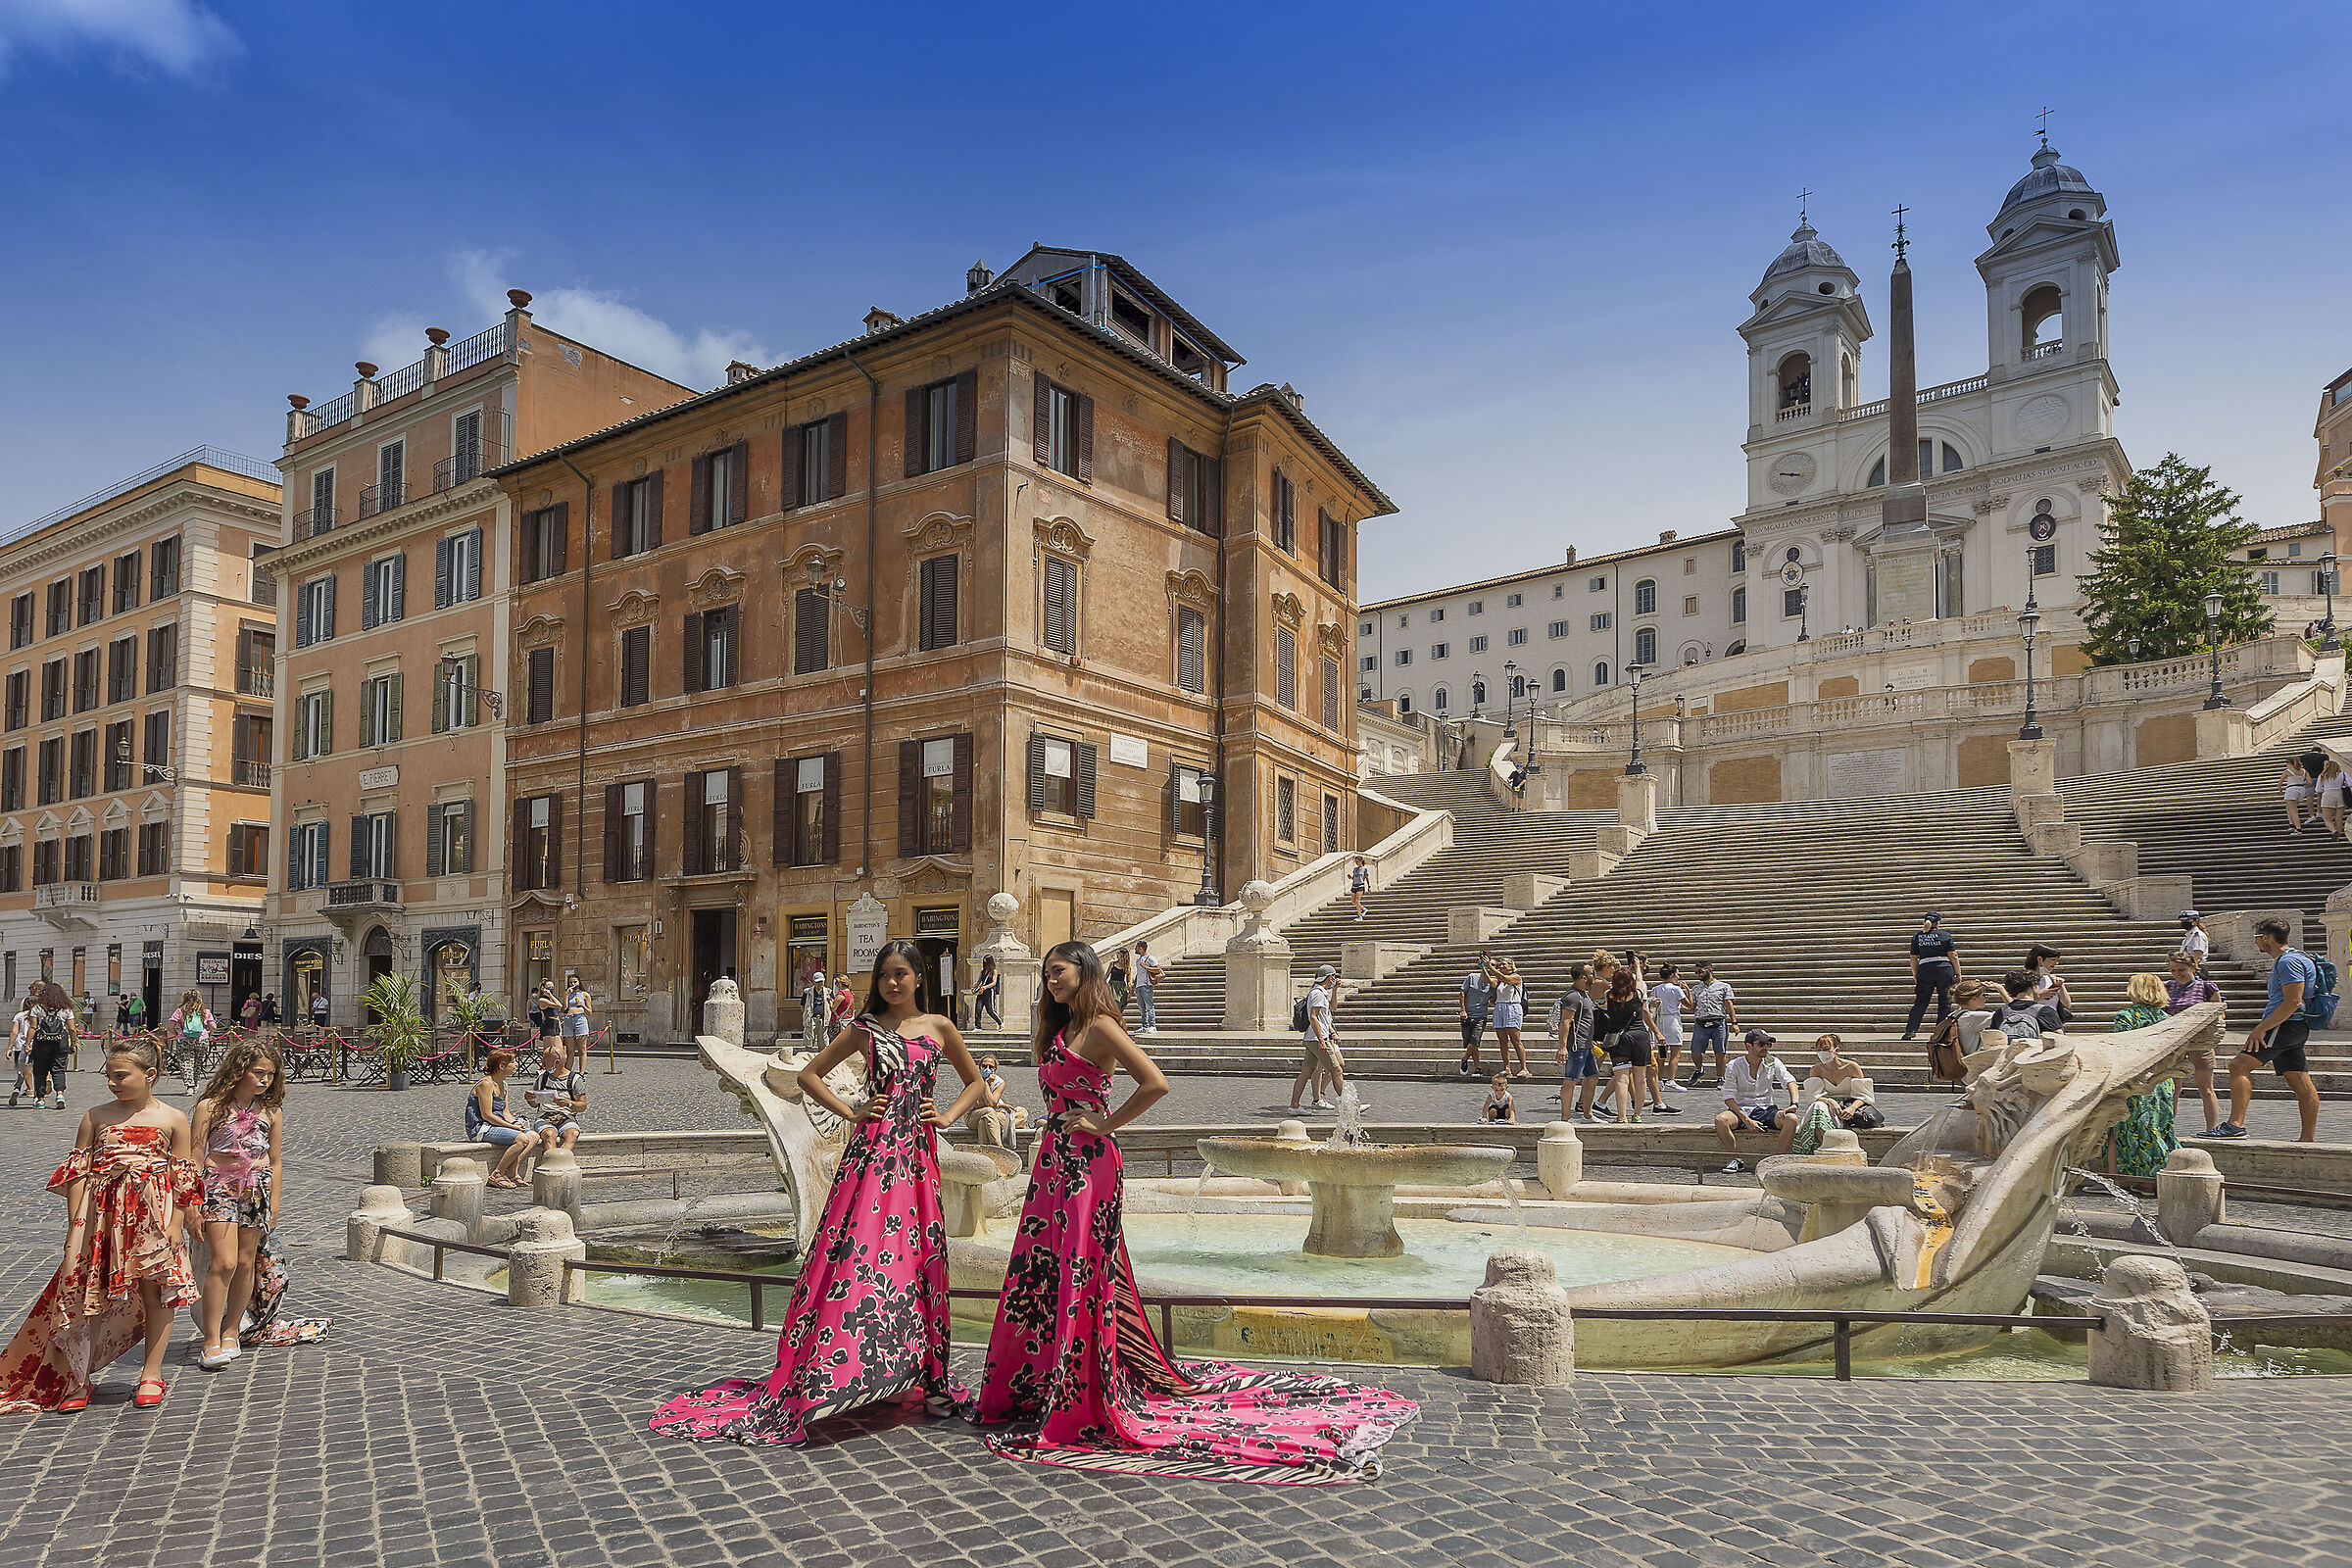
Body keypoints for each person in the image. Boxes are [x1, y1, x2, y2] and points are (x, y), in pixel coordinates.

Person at [972, 941, 1414, 1481]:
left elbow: (1156, 1082)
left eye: (1058, 972)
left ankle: (1079, 1386)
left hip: (1090, 1163)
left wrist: (1104, 1126)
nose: (1050, 981)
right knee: (1042, 1269)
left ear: (1084, 972)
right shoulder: (1055, 1029)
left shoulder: (1102, 1027)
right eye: (1046, 974)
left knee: (1082, 1269)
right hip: (1052, 1164)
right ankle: (1040, 1379)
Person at [654, 940, 985, 1446]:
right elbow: (810, 1075)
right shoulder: (864, 1029)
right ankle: (839, 1370)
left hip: (918, 1156)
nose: (892, 983)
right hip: (872, 1152)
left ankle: (928, 1377)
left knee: (920, 1258)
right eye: (884, 975)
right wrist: (853, 1111)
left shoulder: (940, 1027)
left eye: (901, 974)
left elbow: (975, 1082)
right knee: (861, 1252)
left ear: (919, 976)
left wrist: (947, 1116)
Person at [0, 1036, 200, 1411]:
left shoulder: (173, 1118)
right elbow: (77, 1172)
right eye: (108, 1075)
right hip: (102, 1216)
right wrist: (77, 1223)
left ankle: (151, 1373)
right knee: (91, 1294)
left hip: (153, 1216)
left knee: (157, 1291)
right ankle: (80, 1379)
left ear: (150, 1074)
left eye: (121, 1075)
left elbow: (182, 1175)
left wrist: (176, 1224)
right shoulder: (95, 1115)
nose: (113, 1082)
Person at [190, 1038, 284, 1371]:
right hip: (218, 1187)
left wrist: (273, 1204)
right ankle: (210, 1338)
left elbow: (275, 1161)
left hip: (256, 1190)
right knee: (224, 1262)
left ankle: (232, 1331)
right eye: (258, 1073)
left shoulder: (271, 1112)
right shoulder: (210, 1107)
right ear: (239, 1070)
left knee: (246, 1263)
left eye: (270, 1075)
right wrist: (190, 1205)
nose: (265, 1080)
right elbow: (195, 1156)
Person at [2213, 916, 2322, 1142]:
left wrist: (2260, 1029)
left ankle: (2235, 1125)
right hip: (2293, 1027)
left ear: (2266, 938)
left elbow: (2293, 1001)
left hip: (2283, 1025)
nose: (2255, 943)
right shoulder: (2297, 958)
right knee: (2300, 1081)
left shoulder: (2288, 962)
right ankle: (2307, 1139)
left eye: (2256, 938)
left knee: (2238, 1066)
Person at [2101, 975, 2180, 1177]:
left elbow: (2122, 1051)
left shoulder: (2126, 1016)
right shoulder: (2167, 1019)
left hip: (2134, 1081)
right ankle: (2154, 1178)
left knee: (2117, 1128)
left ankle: (2116, 1177)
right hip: (2162, 1081)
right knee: (2157, 1127)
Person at [1713, 1029, 1796, 1173]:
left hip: (1766, 1109)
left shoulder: (1773, 1062)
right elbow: (1728, 1097)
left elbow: (1790, 1081)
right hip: (1740, 1109)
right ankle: (1735, 1159)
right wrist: (1746, 1120)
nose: (1766, 1047)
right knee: (1721, 1120)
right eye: (1761, 1044)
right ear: (1749, 1046)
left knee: (1792, 1119)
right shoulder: (1734, 1065)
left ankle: (1776, 1161)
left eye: (1768, 1044)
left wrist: (1794, 1104)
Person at [1785, 1034, 1882, 1154]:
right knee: (1817, 1107)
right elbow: (1814, 1096)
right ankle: (1826, 1148)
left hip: (1848, 1106)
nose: (1822, 1053)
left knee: (1818, 1109)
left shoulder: (1852, 1067)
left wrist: (1852, 1108)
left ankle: (1825, 1148)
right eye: (1818, 1050)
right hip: (1827, 1106)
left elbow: (1864, 1095)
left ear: (1836, 1050)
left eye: (1826, 1049)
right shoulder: (1816, 1070)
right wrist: (1830, 1101)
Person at [2163, 953, 2225, 1134]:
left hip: (2200, 1042)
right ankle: (2168, 1128)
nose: (2177, 973)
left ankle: (2211, 1128)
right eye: (2173, 970)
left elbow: (2219, 1013)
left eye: (2181, 969)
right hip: (2173, 1042)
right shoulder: (2167, 987)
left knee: (2206, 1088)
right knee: (2172, 1088)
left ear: (2192, 968)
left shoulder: (2207, 986)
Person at [466, 1049, 542, 1189]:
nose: (516, 1064)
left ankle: (512, 1171)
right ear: (501, 1066)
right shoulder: (486, 1084)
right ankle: (497, 1174)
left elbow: (505, 1111)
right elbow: (487, 1115)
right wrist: (512, 1128)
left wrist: (515, 1123)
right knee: (521, 1139)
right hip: (481, 1128)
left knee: (533, 1136)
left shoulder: (504, 1084)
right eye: (512, 1062)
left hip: (496, 1125)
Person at [1594, 969, 1651, 1125]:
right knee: (1641, 1079)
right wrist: (1638, 967)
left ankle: (1621, 1117)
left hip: (1619, 1039)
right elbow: (1639, 979)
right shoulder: (1638, 994)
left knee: (1621, 1079)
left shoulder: (1609, 995)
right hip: (1640, 1037)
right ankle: (1637, 1115)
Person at [1291, 964, 1347, 1112]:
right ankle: (1349, 1106)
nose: (1335, 979)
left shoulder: (1321, 992)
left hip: (1313, 1038)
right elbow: (1313, 1017)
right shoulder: (1318, 993)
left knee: (1307, 1072)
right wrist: (1322, 1040)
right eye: (1334, 976)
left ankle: (1294, 1105)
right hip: (1317, 1039)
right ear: (1330, 977)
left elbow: (1332, 1008)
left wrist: (1335, 990)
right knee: (1337, 1070)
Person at [1550, 961, 1600, 1121]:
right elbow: (1565, 1021)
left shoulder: (1584, 993)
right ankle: (1565, 1118)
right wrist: (1563, 1047)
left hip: (1586, 1045)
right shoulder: (1572, 996)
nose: (1594, 976)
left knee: (1592, 1077)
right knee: (1571, 1080)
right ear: (1583, 978)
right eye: (1591, 973)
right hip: (1576, 1045)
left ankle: (1588, 1114)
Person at [1903, 911, 1963, 1041]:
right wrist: (1958, 972)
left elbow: (1913, 958)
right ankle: (1940, 1032)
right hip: (1944, 969)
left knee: (1920, 1002)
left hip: (1925, 969)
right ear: (1938, 922)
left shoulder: (1917, 937)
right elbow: (1953, 955)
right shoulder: (1945, 935)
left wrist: (1915, 974)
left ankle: (1911, 1030)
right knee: (1945, 1002)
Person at [527, 1038, 586, 1155]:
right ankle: (551, 1163)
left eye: (546, 1061)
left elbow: (582, 1105)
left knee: (572, 1133)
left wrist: (569, 1103)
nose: (543, 1063)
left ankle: (561, 1161)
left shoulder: (574, 1079)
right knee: (549, 1134)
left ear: (558, 1062)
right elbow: (535, 1105)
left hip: (566, 1117)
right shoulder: (542, 1078)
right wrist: (530, 1099)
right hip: (545, 1117)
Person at [1686, 961, 1737, 1088]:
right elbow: (1692, 1007)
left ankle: (1720, 1078)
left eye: (1700, 971)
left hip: (1718, 1022)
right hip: (1701, 1023)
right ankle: (1699, 1069)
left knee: (1720, 1052)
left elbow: (1729, 1005)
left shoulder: (1723, 986)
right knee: (1695, 1052)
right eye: (1696, 972)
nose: (1698, 975)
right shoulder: (1696, 989)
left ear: (1710, 970)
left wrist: (1734, 1022)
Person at [26, 984, 73, 1111]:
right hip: (60, 1042)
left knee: (40, 1070)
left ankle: (40, 1099)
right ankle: (60, 1095)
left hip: (41, 1042)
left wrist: (27, 1044)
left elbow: (33, 1027)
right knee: (58, 1069)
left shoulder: (37, 1008)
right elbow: (72, 1028)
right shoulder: (66, 1009)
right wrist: (72, 1044)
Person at [966, 1054, 1028, 1149]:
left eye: (990, 1067)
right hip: (972, 1115)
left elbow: (992, 1103)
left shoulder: (1000, 1082)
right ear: (979, 1067)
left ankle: (986, 1150)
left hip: (990, 1115)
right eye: (984, 1066)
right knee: (988, 1112)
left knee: (984, 1121)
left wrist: (986, 1085)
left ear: (995, 1069)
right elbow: (980, 1105)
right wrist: (985, 1084)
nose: (987, 1068)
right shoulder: (973, 1080)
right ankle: (999, 1145)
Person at [1648, 961, 1688, 1108]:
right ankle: (1670, 1080)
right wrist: (1687, 990)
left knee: (1662, 1052)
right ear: (1672, 975)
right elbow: (1689, 1004)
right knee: (1676, 1052)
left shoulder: (1656, 988)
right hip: (1673, 1020)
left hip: (1661, 1020)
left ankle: (1659, 1079)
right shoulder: (1676, 989)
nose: (1678, 977)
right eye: (1677, 975)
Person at [168, 989, 215, 1097]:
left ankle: (189, 1086)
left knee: (186, 1063)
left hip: (184, 1040)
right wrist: (208, 1033)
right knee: (198, 1063)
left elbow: (170, 1026)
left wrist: (177, 1033)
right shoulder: (205, 1011)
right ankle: (195, 1084)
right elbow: (213, 1026)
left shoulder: (180, 1011)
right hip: (201, 1039)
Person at [1457, 954, 1495, 1076]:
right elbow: (1463, 992)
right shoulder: (1472, 977)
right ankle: (1478, 1067)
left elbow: (1493, 1000)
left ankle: (1464, 1059)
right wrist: (1463, 1010)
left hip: (1481, 1016)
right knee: (1471, 1043)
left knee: (1475, 1041)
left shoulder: (1494, 982)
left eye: (1493, 965)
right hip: (1468, 1015)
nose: (1490, 967)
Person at [1492, 956, 1529, 1079]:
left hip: (1512, 1007)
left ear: (1510, 966)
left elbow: (1505, 979)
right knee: (1502, 1040)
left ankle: (1524, 1068)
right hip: (1500, 1008)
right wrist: (1484, 968)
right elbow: (1488, 980)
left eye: (1504, 965)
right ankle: (1507, 1067)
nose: (1501, 967)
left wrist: (1491, 968)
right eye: (1500, 965)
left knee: (1515, 1039)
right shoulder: (1499, 980)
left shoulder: (1516, 977)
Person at [2023, 945, 2073, 1025]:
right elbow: (2016, 1004)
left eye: (2057, 960)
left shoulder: (2051, 978)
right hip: (2031, 1024)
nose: (2056, 963)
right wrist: (2040, 995)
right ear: (2040, 959)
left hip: (2052, 1024)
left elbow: (2067, 1004)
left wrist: (2061, 986)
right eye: (2053, 959)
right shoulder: (2022, 979)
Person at [7, 987, 33, 1107]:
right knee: (36, 1070)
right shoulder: (38, 1015)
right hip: (35, 1046)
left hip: (19, 1046)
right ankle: (35, 1093)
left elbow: (14, 1032)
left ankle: (17, 1089)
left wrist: (9, 1048)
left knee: (21, 1070)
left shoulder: (19, 1016)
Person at [1131, 942, 1163, 1034]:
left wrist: (1146, 967)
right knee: (1142, 1008)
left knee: (1149, 1006)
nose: (1135, 949)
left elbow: (1158, 969)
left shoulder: (1150, 958)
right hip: (1139, 986)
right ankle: (1145, 1026)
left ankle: (1153, 1026)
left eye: (1136, 947)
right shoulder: (1138, 960)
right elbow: (1138, 974)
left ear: (1141, 948)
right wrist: (1134, 986)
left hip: (1146, 985)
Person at [2281, 756, 2315, 833]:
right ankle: (2291, 824)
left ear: (2290, 763)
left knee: (2293, 810)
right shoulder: (2304, 771)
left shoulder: (2287, 771)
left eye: (2287, 762)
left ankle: (2298, 828)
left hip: (2291, 789)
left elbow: (2280, 783)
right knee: (2289, 808)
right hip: (2301, 790)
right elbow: (2309, 782)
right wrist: (2301, 783)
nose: (2286, 764)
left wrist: (2280, 791)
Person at [2320, 758, 2349, 838]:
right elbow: (2350, 784)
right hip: (2340, 794)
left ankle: (2334, 831)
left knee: (2327, 818)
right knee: (2339, 818)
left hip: (2328, 794)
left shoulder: (2323, 776)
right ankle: (2338, 835)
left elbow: (2318, 789)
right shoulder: (2343, 774)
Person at [562, 972, 592, 1050]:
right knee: (569, 1049)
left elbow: (589, 1013)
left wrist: (582, 1005)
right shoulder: (567, 994)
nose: (573, 984)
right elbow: (564, 1009)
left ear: (579, 982)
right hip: (569, 1018)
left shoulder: (585, 994)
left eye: (575, 982)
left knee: (582, 1048)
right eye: (571, 982)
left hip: (580, 1018)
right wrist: (566, 995)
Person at [2178, 910, 2211, 977]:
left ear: (2195, 921)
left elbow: (2198, 957)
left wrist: (2191, 970)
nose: (2184, 923)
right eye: (2182, 921)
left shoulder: (2198, 936)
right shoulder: (2188, 937)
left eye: (2187, 921)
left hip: (2197, 969)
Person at [973, 956, 1003, 1031]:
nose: (985, 964)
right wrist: (976, 985)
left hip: (989, 992)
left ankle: (1000, 1023)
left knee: (990, 1010)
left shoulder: (994, 971)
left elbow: (994, 982)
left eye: (986, 962)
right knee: (978, 1009)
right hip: (981, 992)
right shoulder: (982, 972)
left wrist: (986, 987)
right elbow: (979, 981)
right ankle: (978, 1026)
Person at [1107, 947, 1131, 1018]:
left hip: (1121, 987)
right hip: (1112, 985)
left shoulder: (1127, 967)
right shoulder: (1112, 964)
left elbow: (1129, 981)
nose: (1117, 955)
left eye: (1119, 953)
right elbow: (1106, 975)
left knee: (1121, 1003)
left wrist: (1130, 992)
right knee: (1113, 1003)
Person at [1349, 855, 1371, 922]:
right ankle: (1363, 909)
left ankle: (1360, 916)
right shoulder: (1355, 869)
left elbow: (1367, 878)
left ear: (1361, 861)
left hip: (1360, 886)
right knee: (1353, 902)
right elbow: (1354, 878)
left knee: (1357, 901)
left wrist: (1369, 887)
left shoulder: (1365, 869)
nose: (1356, 863)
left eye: (1357, 862)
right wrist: (1351, 877)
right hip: (1354, 886)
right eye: (1356, 862)